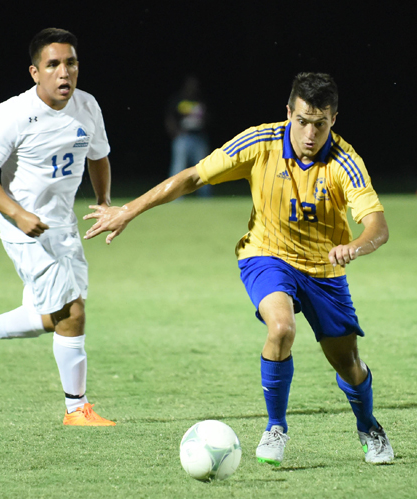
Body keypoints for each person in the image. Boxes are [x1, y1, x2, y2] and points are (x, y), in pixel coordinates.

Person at [84, 73, 394, 464]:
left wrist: (355, 246)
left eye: (320, 123)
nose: (310, 134)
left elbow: (377, 226)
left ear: (334, 119)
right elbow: (194, 175)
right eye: (302, 121)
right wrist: (128, 209)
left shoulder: (345, 161)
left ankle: (368, 426)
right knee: (281, 328)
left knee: (348, 363)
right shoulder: (260, 142)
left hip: (323, 269)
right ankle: (276, 427)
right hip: (266, 255)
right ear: (288, 114)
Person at [0, 28, 115, 426]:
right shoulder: (12, 114)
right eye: (54, 64)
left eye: (71, 63)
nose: (64, 72)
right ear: (35, 72)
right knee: (73, 311)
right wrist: (17, 213)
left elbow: (98, 156)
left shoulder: (87, 106)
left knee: (54, 315)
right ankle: (77, 409)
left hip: (62, 227)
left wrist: (105, 201)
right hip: (24, 229)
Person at [165, 75, 211, 197]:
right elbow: (170, 118)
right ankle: (174, 197)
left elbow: (208, 117)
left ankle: (206, 197)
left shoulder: (200, 99)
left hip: (199, 137)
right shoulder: (178, 99)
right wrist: (175, 132)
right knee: (178, 167)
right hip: (183, 137)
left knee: (204, 168)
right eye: (190, 84)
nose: (193, 87)